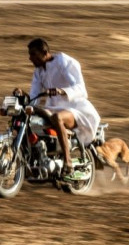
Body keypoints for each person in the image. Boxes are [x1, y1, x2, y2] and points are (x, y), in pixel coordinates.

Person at [14, 38, 100, 178]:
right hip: (54, 108)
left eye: (34, 54)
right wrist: (22, 94)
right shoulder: (38, 72)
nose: (30, 58)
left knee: (57, 118)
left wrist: (61, 91)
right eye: (29, 54)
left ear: (44, 52)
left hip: (76, 108)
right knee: (30, 118)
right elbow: (34, 97)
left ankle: (68, 162)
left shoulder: (64, 62)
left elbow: (81, 89)